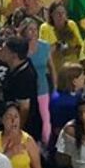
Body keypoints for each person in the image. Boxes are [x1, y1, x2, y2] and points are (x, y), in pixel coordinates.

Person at [19, 17, 56, 146]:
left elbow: (51, 67)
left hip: (42, 88)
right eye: (30, 29)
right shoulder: (20, 48)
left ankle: (46, 145)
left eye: (36, 29)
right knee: (28, 118)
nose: (34, 32)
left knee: (45, 118)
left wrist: (55, 86)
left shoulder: (44, 46)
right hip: (26, 89)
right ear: (24, 31)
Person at [40, 1, 83, 68]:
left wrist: (71, 50)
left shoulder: (71, 24)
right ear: (51, 15)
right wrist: (57, 47)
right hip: (56, 67)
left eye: (63, 13)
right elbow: (43, 51)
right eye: (57, 13)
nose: (61, 15)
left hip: (73, 66)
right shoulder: (45, 28)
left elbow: (81, 46)